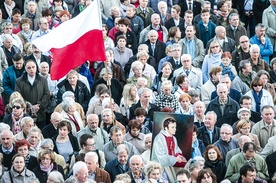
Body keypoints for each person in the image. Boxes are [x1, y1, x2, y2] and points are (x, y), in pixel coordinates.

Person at [15, 59, 50, 129]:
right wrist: (30, 107)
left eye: (33, 67)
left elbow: (46, 94)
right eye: (29, 68)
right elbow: (18, 97)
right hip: (26, 114)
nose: (31, 69)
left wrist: (39, 105)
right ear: (25, 69)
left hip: (40, 112)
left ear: (36, 68)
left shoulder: (43, 80)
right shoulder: (19, 81)